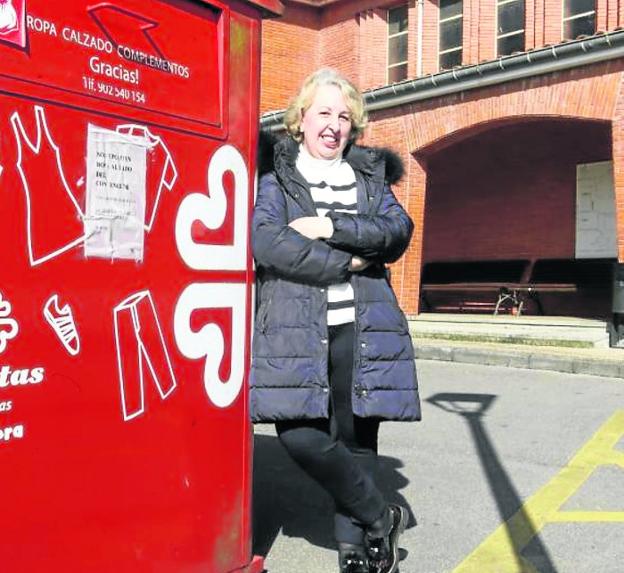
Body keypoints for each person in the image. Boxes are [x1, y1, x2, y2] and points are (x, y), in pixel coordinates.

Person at [250, 68, 421, 573]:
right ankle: (379, 514)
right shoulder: (277, 176)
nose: (334, 124)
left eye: (344, 116)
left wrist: (328, 225)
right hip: (295, 326)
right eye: (323, 112)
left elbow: (396, 230)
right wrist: (346, 262)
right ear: (300, 120)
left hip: (362, 325)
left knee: (355, 435)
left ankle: (357, 550)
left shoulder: (367, 175)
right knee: (299, 433)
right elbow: (268, 241)